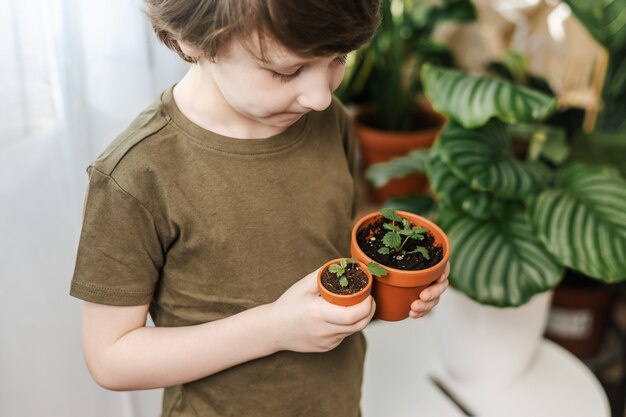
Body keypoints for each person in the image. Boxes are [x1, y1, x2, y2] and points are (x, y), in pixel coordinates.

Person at [70, 1, 449, 416]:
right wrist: (275, 330)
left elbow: (328, 238)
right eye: (286, 72)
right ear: (195, 41)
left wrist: (403, 271)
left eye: (338, 59)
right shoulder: (135, 176)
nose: (321, 97)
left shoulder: (328, 121)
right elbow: (111, 358)